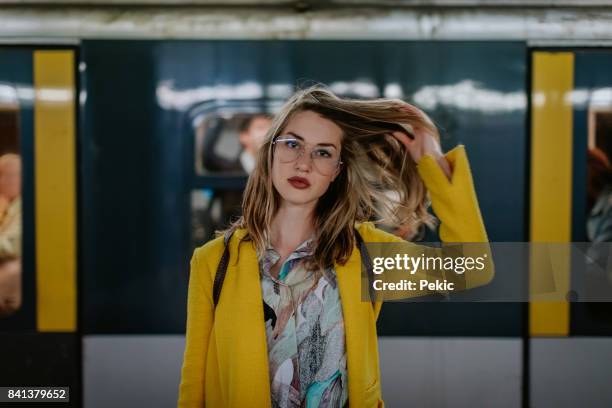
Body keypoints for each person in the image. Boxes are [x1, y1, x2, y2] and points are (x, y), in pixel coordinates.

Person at [178, 86, 493, 407]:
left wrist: (432, 162)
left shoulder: (362, 254)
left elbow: (472, 271)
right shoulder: (214, 261)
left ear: (336, 172)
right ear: (270, 152)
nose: (304, 163)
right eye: (292, 144)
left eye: (323, 152)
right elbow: (194, 386)